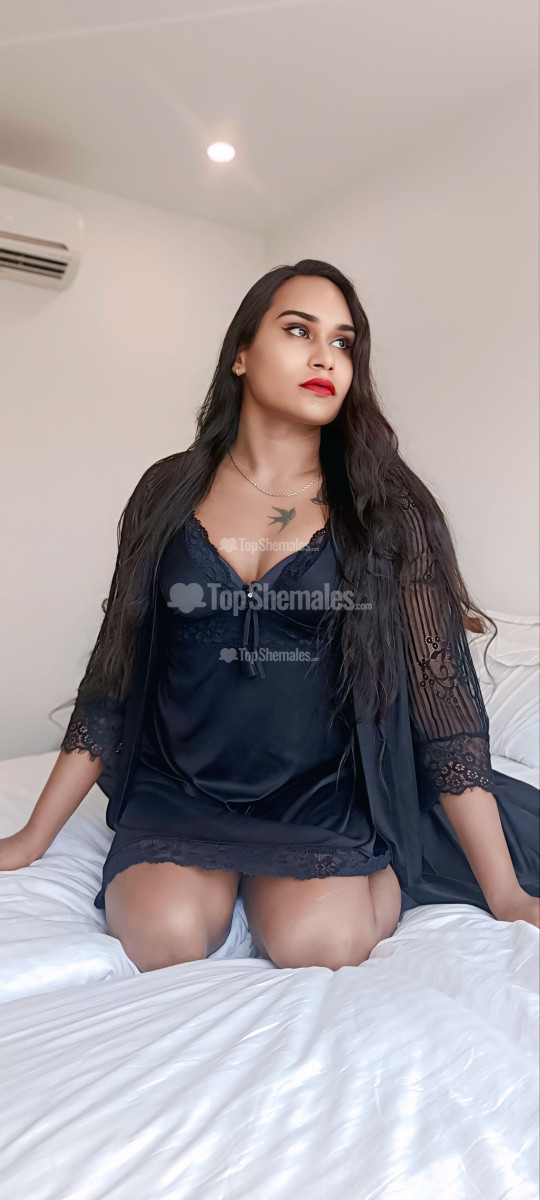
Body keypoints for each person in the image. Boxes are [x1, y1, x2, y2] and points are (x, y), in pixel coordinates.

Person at [1, 260, 538, 972]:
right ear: (241, 354)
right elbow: (114, 674)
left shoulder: (387, 508)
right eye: (298, 331)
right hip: (181, 783)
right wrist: (32, 838)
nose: (325, 357)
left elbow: (445, 703)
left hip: (322, 792)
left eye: (343, 343)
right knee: (164, 939)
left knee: (320, 945)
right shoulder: (165, 490)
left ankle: (375, 866)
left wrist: (506, 892)